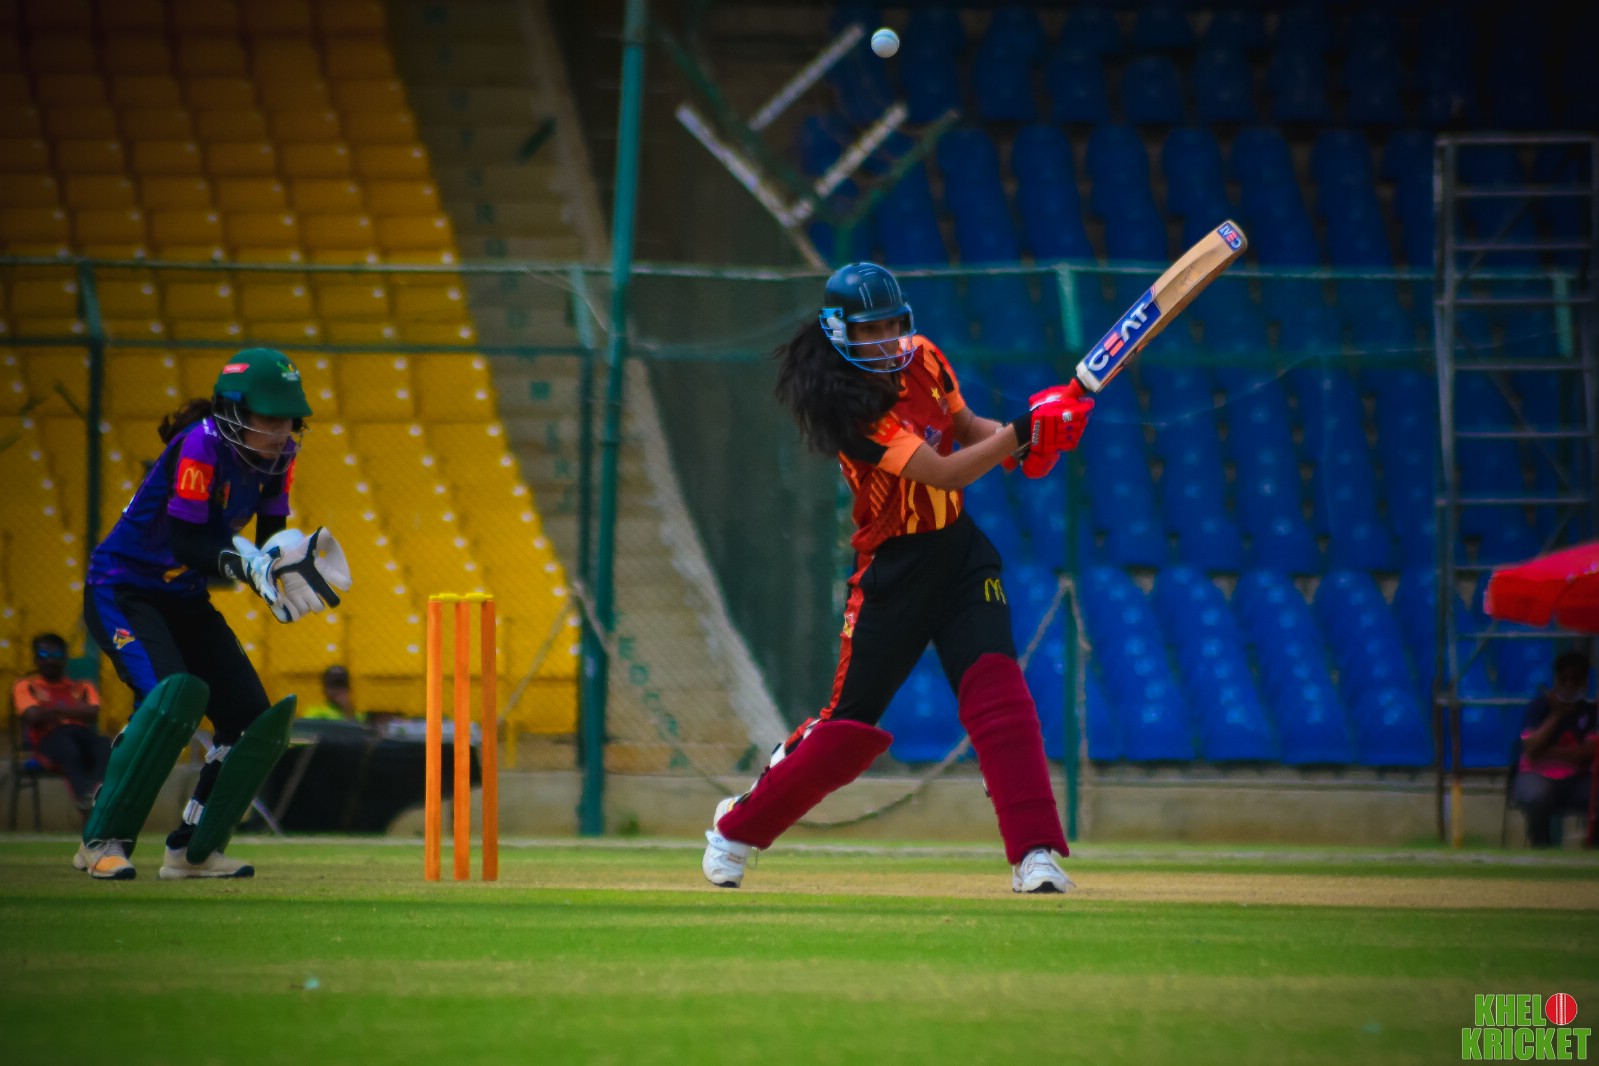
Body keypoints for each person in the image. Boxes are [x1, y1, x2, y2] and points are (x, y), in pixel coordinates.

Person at [701, 262, 1095, 893]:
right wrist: (1025, 429)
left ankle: (1036, 855)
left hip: (961, 555)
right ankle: (734, 831)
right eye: (870, 330)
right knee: (844, 736)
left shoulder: (925, 358)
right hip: (894, 573)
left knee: (1001, 699)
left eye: (893, 325)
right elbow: (944, 472)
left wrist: (1029, 442)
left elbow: (967, 431)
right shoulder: (848, 408)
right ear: (840, 332)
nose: (887, 339)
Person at [75, 347, 351, 881]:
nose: (282, 432)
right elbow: (187, 542)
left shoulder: (280, 457)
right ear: (234, 411)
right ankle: (101, 841)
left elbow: (269, 537)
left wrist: (282, 570)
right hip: (123, 590)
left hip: (183, 597)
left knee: (249, 717)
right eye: (270, 418)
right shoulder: (200, 444)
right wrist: (245, 565)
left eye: (289, 420)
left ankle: (192, 851)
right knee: (166, 703)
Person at [11, 633, 110, 822]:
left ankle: (99, 794)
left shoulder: (83, 686)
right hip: (48, 741)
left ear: (65, 658)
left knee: (105, 745)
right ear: (35, 659)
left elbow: (93, 712)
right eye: (44, 655)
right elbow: (33, 716)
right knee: (67, 747)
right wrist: (74, 710)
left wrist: (52, 709)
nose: (50, 660)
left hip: (82, 737)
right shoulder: (26, 686)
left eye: (56, 655)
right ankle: (84, 800)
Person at [1514, 651, 1596, 847]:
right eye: (1564, 679)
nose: (1569, 685)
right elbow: (1532, 750)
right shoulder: (1539, 707)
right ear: (1556, 679)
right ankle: (1542, 849)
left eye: (1575, 679)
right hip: (1536, 774)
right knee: (1537, 796)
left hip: (1577, 779)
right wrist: (1556, 716)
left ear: (1584, 682)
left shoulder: (1590, 711)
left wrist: (1547, 751)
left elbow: (1587, 752)